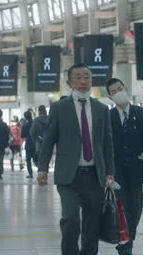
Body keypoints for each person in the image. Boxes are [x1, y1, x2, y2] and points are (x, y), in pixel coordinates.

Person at [37, 63, 115, 255]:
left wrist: (110, 173)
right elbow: (48, 140)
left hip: (94, 177)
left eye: (87, 77)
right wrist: (42, 168)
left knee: (92, 225)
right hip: (69, 177)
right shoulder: (58, 108)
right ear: (69, 82)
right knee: (71, 220)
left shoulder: (101, 109)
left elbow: (107, 144)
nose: (83, 81)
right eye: (78, 77)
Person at [107, 78, 143, 255]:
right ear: (110, 97)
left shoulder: (141, 114)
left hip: (137, 171)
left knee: (136, 209)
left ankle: (128, 239)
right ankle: (125, 247)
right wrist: (107, 172)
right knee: (122, 207)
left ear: (125, 89)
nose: (117, 92)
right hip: (116, 172)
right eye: (113, 91)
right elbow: (105, 145)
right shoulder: (109, 117)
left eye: (119, 88)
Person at [21, 111, 36, 179]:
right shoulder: (35, 123)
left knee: (28, 160)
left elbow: (22, 135)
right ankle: (41, 171)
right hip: (36, 143)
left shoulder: (25, 125)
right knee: (36, 158)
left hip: (28, 144)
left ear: (25, 117)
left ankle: (30, 174)